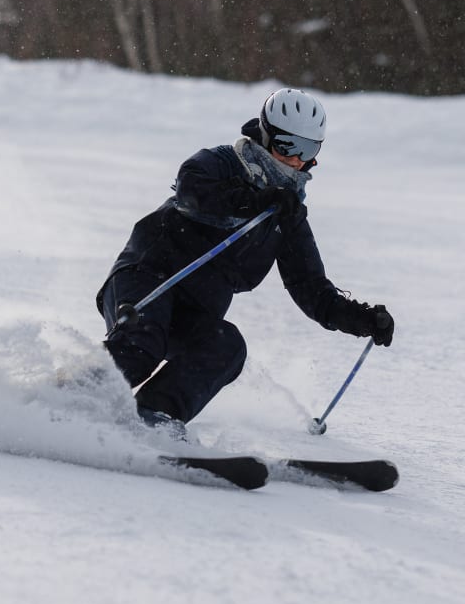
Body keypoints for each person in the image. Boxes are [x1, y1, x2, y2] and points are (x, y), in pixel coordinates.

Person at [96, 87, 394, 438]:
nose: (297, 160)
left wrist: (362, 319)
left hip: (196, 310)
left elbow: (310, 287)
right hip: (149, 279)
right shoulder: (221, 163)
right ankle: (67, 399)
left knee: (226, 346)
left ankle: (153, 418)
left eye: (309, 149)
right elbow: (191, 192)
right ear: (266, 135)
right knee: (142, 344)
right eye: (287, 146)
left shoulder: (288, 213)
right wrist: (254, 200)